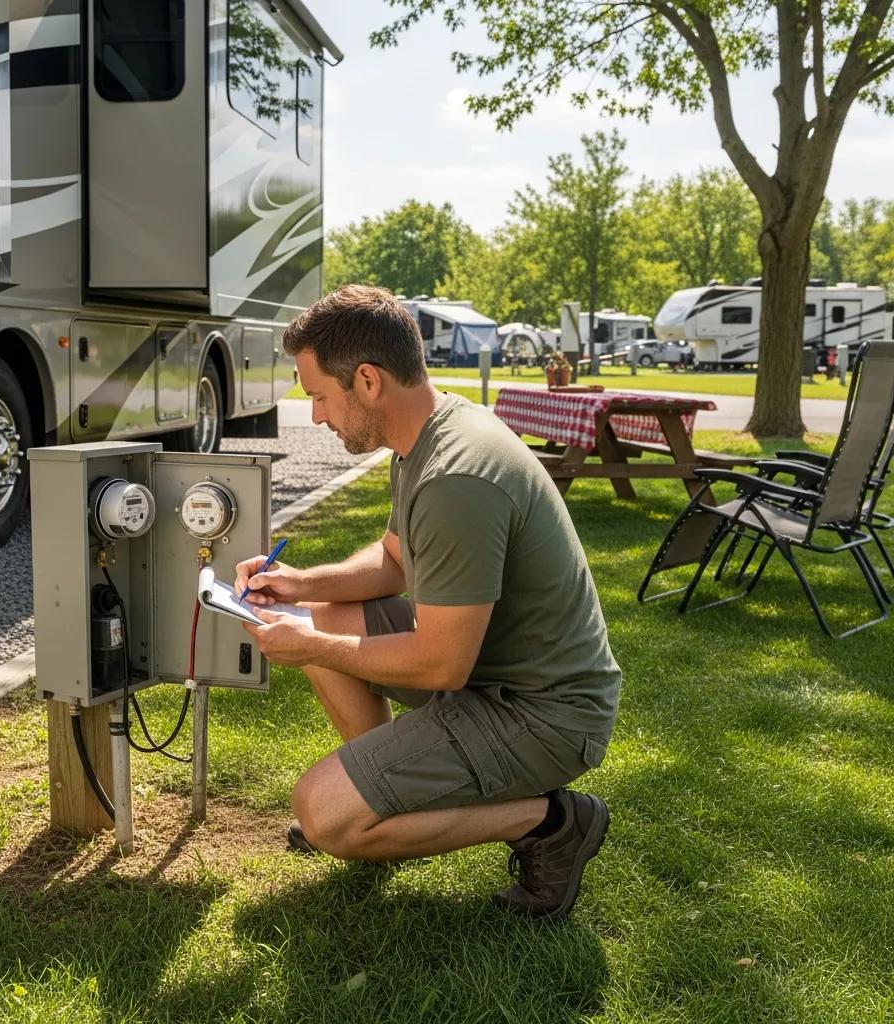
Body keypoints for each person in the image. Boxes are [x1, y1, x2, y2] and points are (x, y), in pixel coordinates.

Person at [235, 285, 621, 919]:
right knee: (329, 613)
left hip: (546, 716)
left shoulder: (455, 478)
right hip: (496, 678)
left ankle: (550, 822)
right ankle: (380, 800)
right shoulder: (427, 434)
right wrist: (304, 585)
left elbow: (442, 666)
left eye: (318, 396)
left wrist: (308, 647)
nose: (316, 417)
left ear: (366, 380)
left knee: (323, 814)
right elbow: (392, 561)